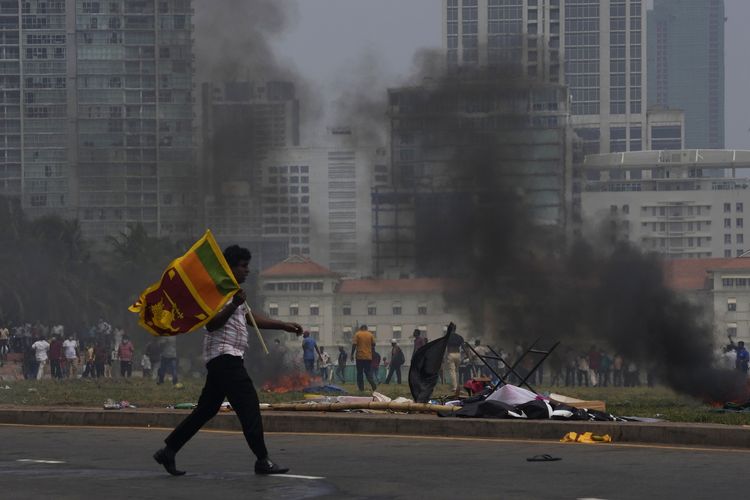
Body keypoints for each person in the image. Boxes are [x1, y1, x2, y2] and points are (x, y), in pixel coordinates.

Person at [153, 244, 303, 476]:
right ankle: (262, 460)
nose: (247, 271)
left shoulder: (233, 293)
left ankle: (169, 451)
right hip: (225, 358)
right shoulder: (217, 293)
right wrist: (233, 303)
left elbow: (251, 319)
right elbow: (211, 324)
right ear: (229, 268)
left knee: (206, 409)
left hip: (223, 359)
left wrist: (284, 326)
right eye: (243, 266)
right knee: (249, 406)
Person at [351, 325, 377, 392]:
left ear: (360, 328)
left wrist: (351, 354)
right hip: (368, 357)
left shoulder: (357, 334)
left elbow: (354, 344)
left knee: (359, 373)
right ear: (366, 328)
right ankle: (373, 384)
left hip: (359, 357)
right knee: (367, 372)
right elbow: (374, 344)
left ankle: (361, 388)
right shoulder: (370, 334)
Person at [445, 330, 465, 397]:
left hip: (450, 354)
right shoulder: (459, 337)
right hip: (458, 354)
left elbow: (444, 346)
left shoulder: (447, 337)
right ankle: (458, 386)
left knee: (452, 371)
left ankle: (455, 387)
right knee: (457, 371)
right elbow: (463, 346)